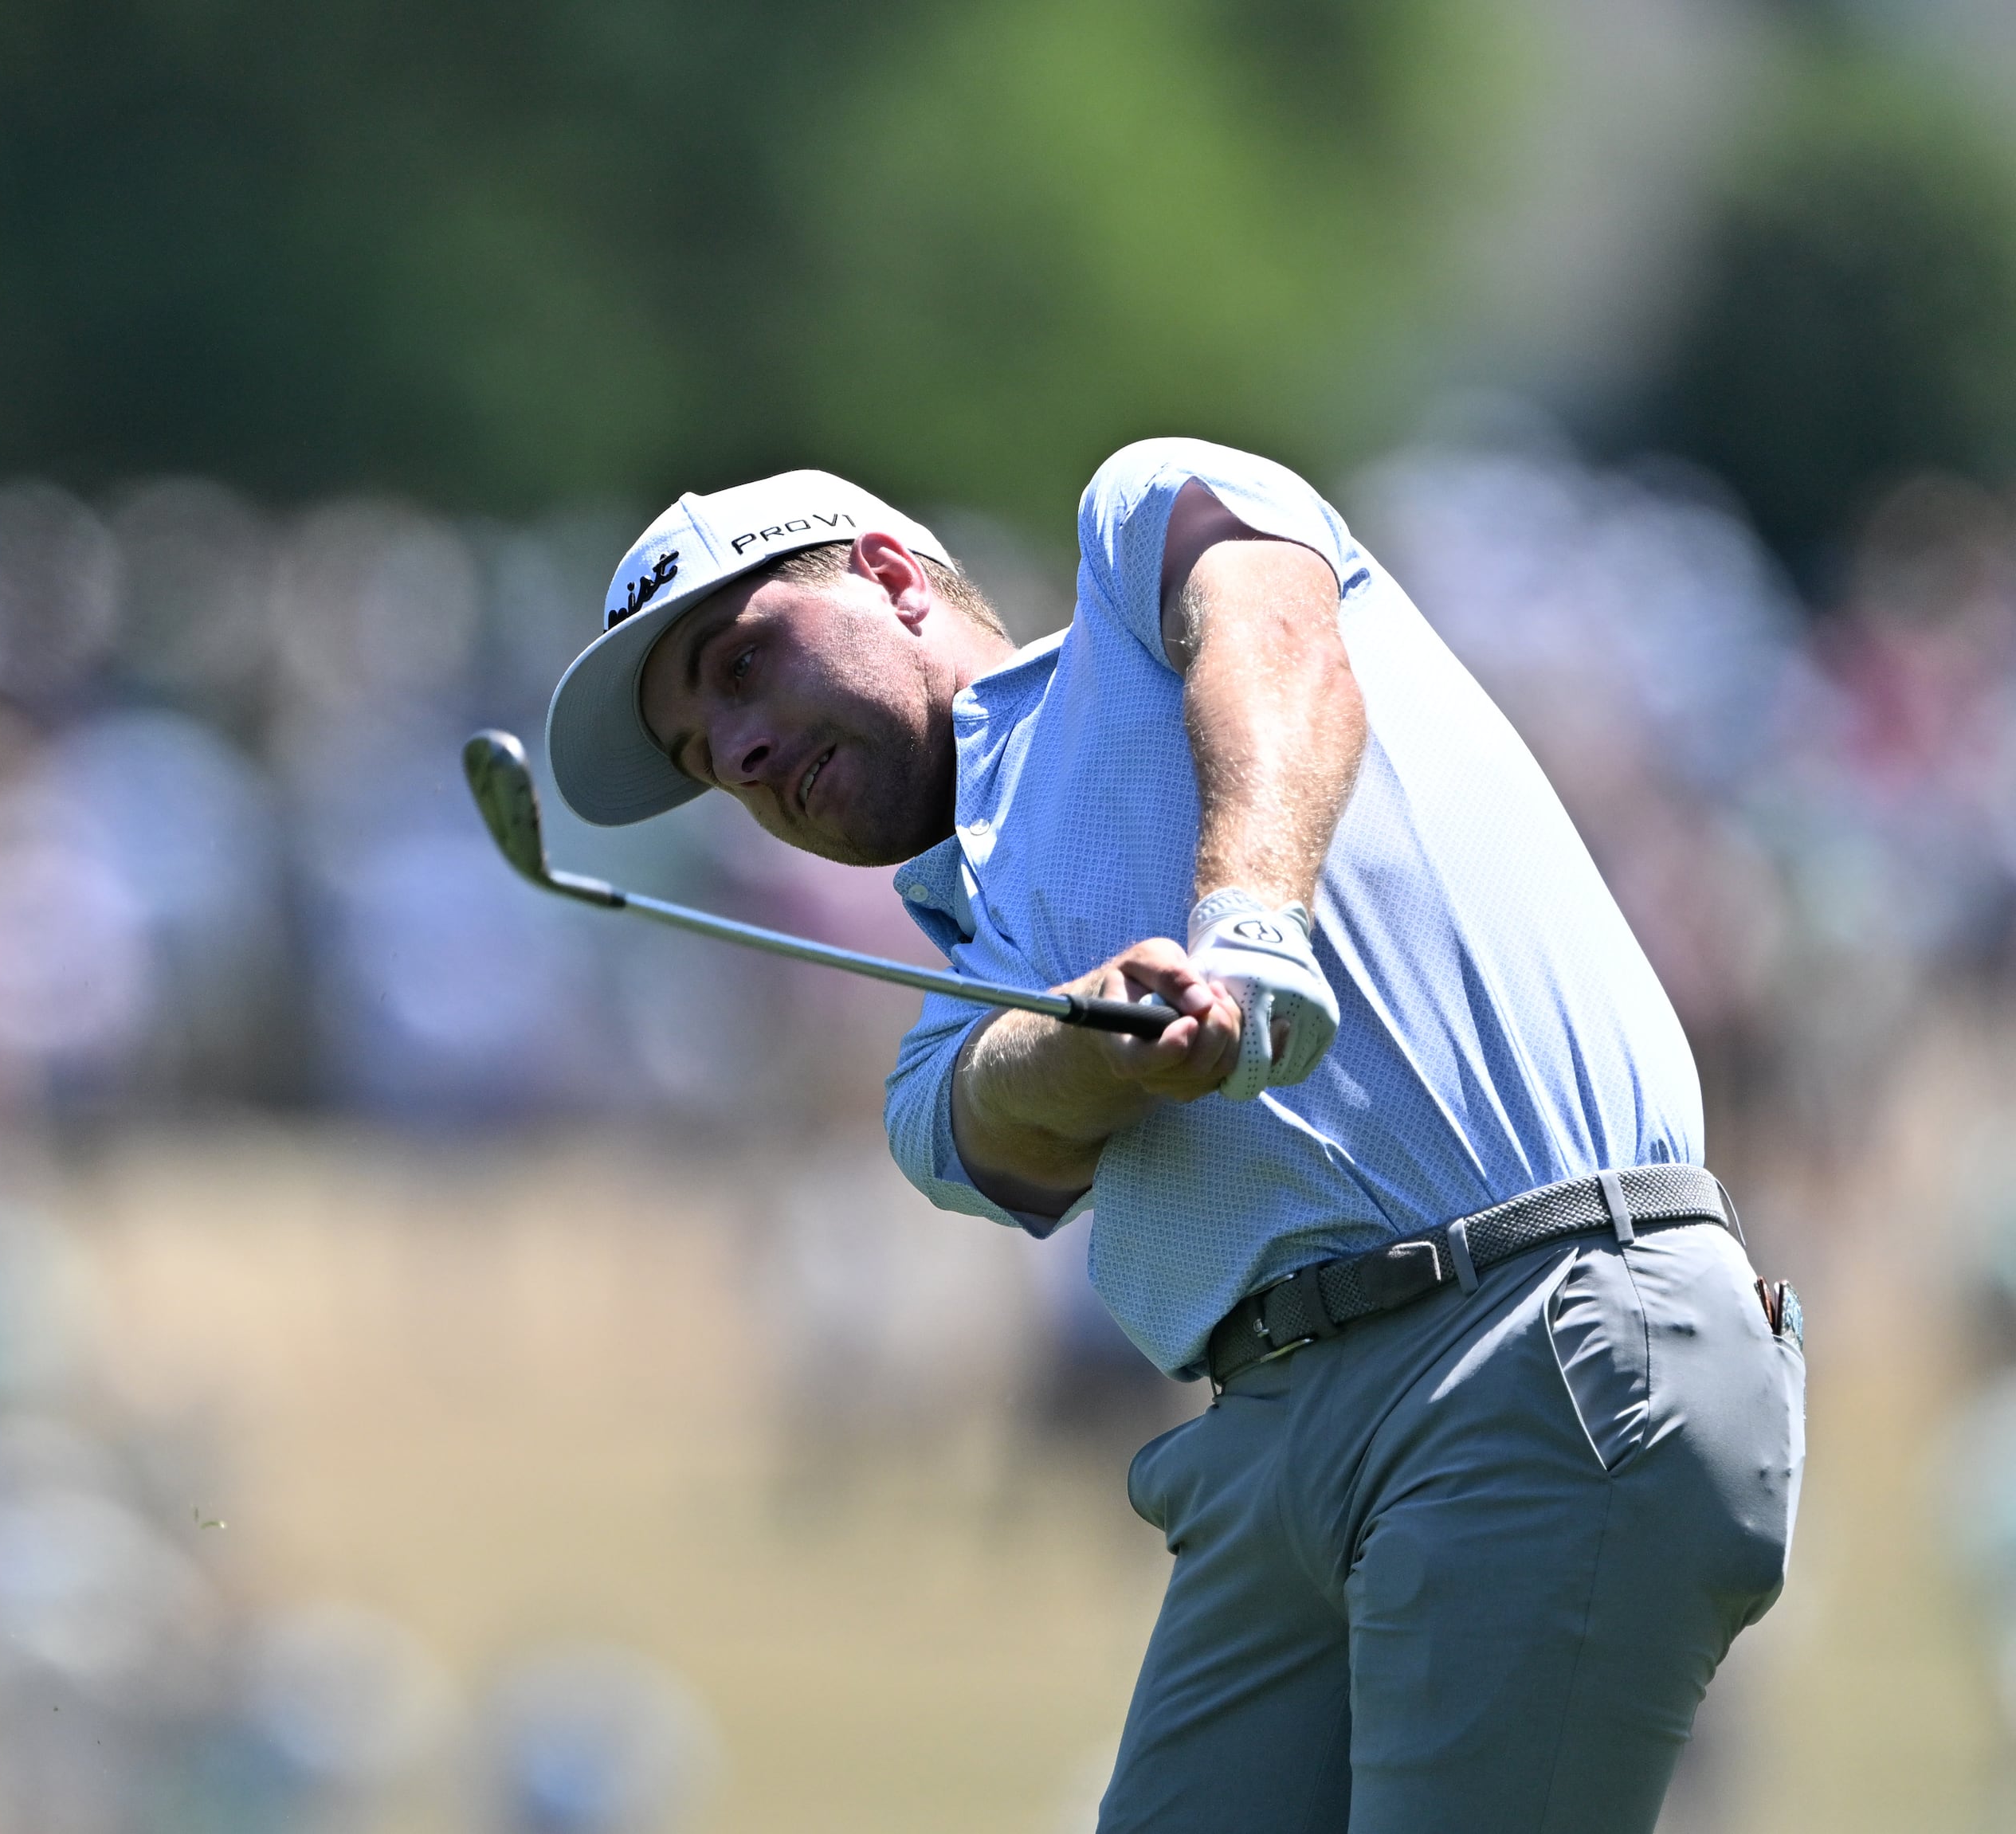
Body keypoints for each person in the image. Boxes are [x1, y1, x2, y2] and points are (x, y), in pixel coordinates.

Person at [539, 442, 1806, 1832]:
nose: (737, 751)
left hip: (1541, 1325)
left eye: (738, 668)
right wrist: (1099, 1040)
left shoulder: (1141, 527)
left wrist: (1252, 920)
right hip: (1271, 1455)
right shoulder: (937, 1034)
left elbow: (1274, 641)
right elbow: (1005, 1102)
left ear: (892, 577)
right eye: (697, 754)